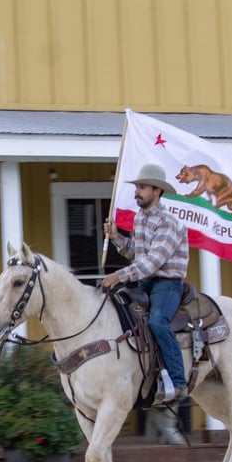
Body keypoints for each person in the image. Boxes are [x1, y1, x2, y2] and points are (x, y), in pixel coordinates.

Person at [102, 163, 190, 403]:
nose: (136, 192)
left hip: (167, 284)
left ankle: (178, 381)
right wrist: (117, 236)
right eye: (137, 187)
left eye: (142, 187)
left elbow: (153, 261)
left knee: (157, 322)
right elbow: (136, 253)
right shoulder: (141, 218)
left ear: (157, 191)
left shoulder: (170, 223)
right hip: (144, 283)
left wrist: (119, 276)